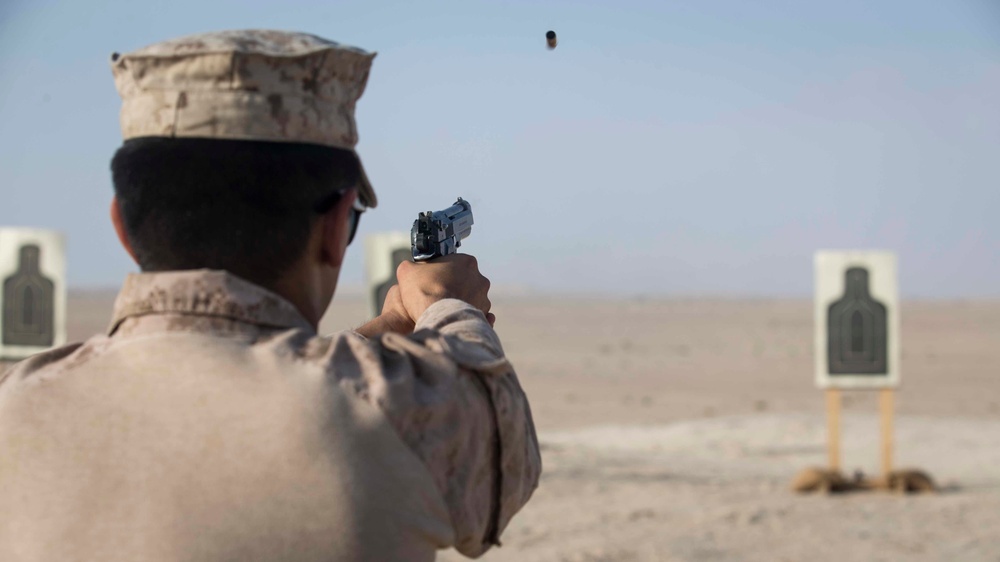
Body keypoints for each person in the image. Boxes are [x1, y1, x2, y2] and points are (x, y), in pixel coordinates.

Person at [0, 30, 541, 562]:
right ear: (334, 229)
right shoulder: (405, 412)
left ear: (121, 225)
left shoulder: (14, 402)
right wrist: (451, 307)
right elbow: (502, 454)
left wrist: (385, 328)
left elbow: (247, 380)